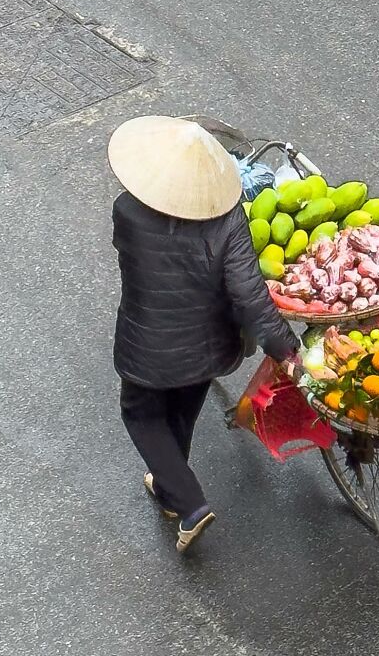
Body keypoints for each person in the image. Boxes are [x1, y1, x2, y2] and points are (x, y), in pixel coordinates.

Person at [108, 116, 299, 553]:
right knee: (181, 407)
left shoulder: (127, 211)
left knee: (141, 413)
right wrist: (285, 348)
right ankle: (171, 489)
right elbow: (250, 295)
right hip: (207, 346)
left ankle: (190, 503)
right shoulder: (229, 221)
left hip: (146, 344)